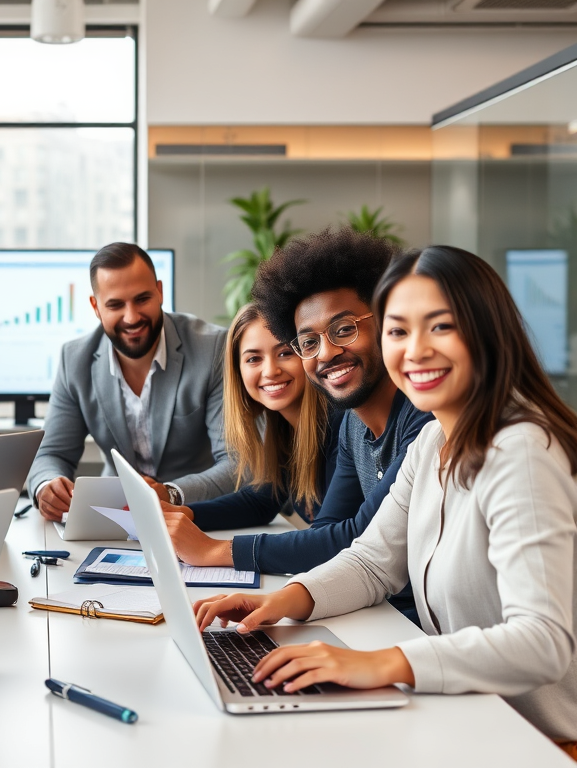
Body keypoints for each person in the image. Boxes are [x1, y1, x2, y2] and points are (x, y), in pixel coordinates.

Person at [193, 245, 577, 751]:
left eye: (439, 326)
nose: (414, 350)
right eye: (399, 330)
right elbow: (374, 562)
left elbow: (542, 643)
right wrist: (282, 602)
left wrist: (380, 662)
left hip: (539, 740)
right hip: (471, 712)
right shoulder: (433, 441)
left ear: (486, 332)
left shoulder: (521, 450)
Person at [210, 228, 432, 618]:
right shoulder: (352, 425)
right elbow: (340, 541)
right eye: (308, 342)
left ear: (386, 321)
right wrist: (281, 603)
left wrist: (218, 552)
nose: (327, 352)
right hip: (384, 617)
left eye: (344, 329)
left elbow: (355, 539)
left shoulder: (424, 418)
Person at [28, 242, 233, 521]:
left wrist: (170, 493)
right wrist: (46, 485)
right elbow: (51, 454)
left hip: (198, 516)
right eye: (115, 304)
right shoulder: (74, 360)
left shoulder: (212, 348)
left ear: (159, 292)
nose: (132, 317)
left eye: (142, 299)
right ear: (96, 307)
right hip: (114, 518)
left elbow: (235, 462)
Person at [161, 303, 344, 567]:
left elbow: (330, 540)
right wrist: (182, 514)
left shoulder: (341, 425)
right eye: (253, 359)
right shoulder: (283, 428)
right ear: (238, 371)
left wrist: (214, 551)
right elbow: (261, 501)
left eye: (284, 353)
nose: (270, 371)